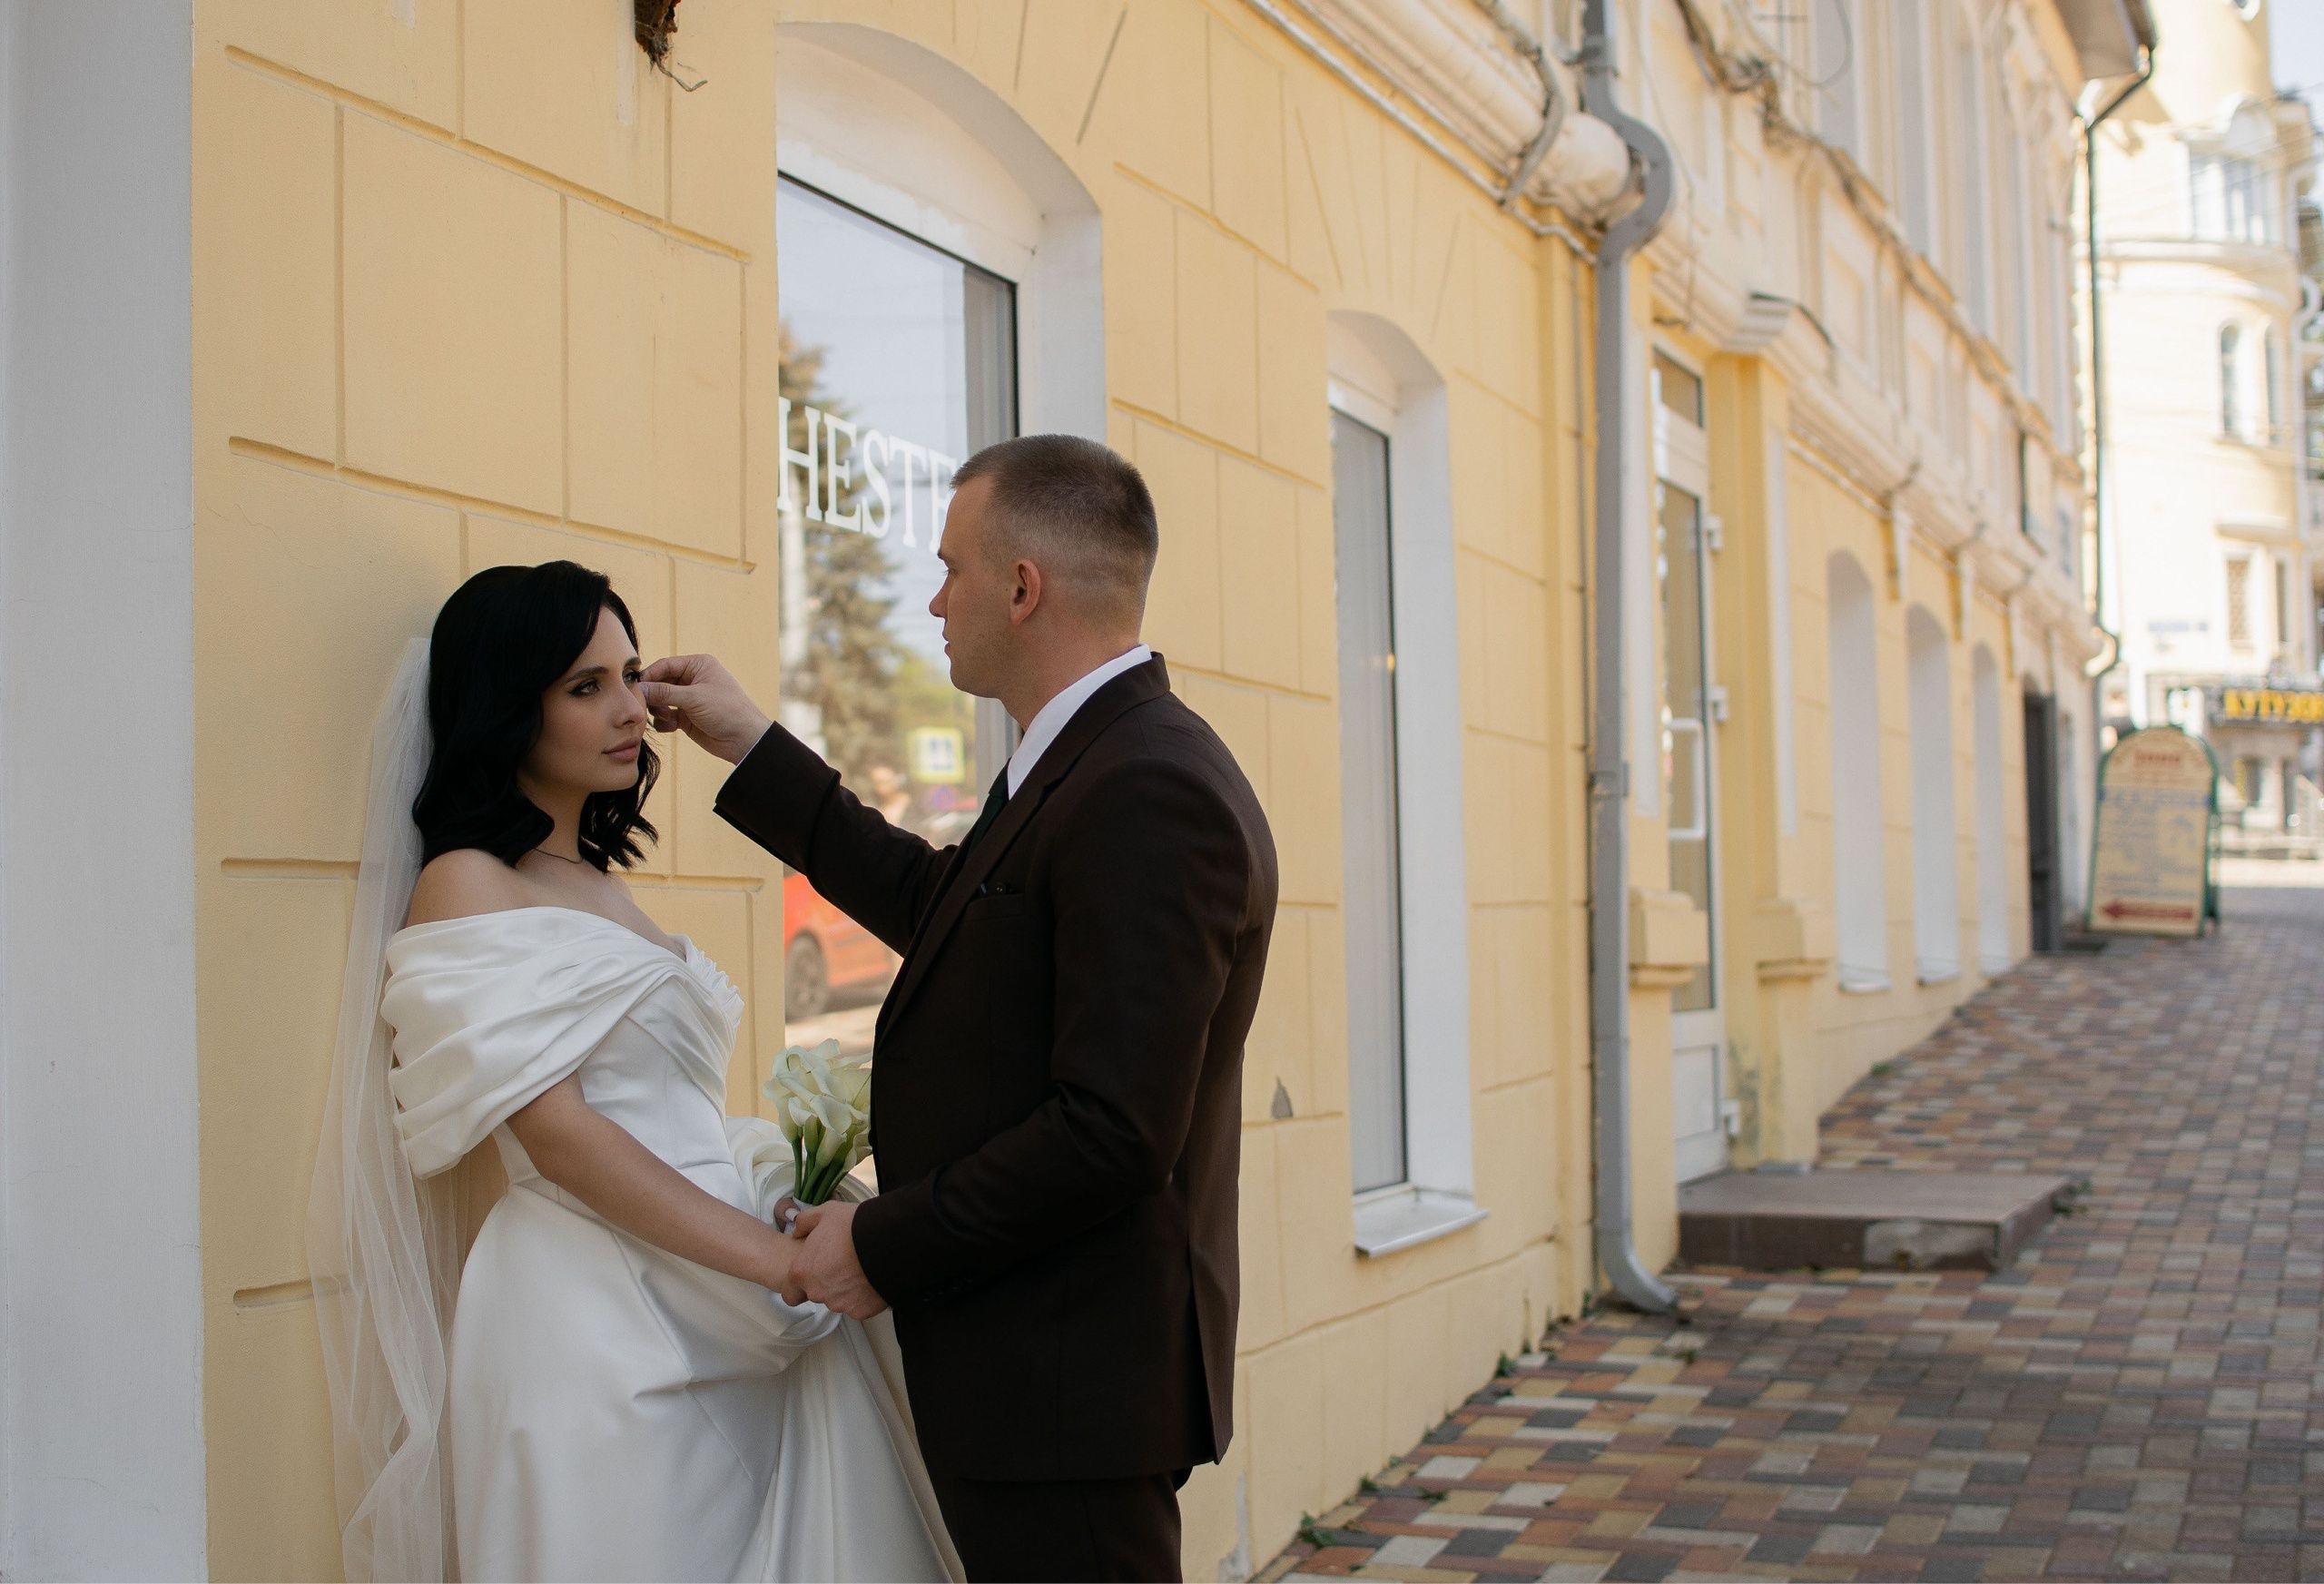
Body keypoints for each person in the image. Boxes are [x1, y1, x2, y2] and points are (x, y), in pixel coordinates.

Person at [645, 434, 1279, 1583]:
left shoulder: (1146, 785)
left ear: (1023, 587)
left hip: (1067, 1382)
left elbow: (1114, 1129)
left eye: (949, 568)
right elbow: (945, 905)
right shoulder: (1081, 758)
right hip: (1034, 1367)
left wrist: (878, 1244)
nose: (933, 600)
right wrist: (751, 743)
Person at [308, 561, 959, 1583]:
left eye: (629, 674)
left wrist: (784, 1215)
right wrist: (775, 1260)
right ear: (504, 708)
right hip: (595, 1315)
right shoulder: (465, 881)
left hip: (715, 1282)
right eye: (585, 686)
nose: (631, 710)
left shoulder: (595, 881)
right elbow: (558, 1134)